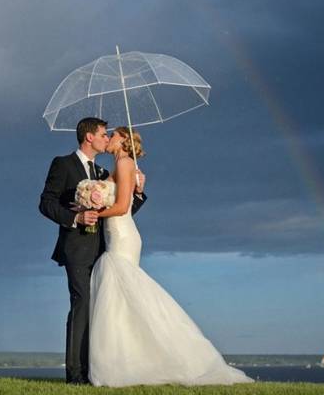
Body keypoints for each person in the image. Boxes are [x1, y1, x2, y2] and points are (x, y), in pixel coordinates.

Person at [87, 126, 253, 386]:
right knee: (122, 297)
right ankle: (127, 359)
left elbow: (120, 207)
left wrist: (96, 213)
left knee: (123, 289)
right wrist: (90, 195)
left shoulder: (126, 164)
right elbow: (116, 195)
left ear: (123, 140)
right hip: (115, 234)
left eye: (112, 134)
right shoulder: (119, 166)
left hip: (122, 235)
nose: (107, 138)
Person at [39, 117, 146, 385]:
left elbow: (120, 212)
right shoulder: (62, 164)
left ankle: (95, 370)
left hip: (104, 248)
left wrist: (138, 192)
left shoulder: (101, 173)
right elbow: (46, 203)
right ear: (89, 137)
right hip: (75, 247)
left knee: (99, 308)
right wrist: (76, 218)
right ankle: (75, 375)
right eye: (102, 134)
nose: (106, 138)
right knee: (81, 304)